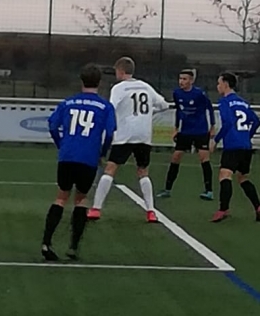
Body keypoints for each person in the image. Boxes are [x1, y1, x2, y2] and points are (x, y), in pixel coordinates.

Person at [42, 65, 117, 262]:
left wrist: (61, 144)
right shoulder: (105, 106)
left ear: (81, 80)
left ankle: (46, 242)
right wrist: (102, 152)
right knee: (81, 199)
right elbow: (110, 133)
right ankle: (73, 246)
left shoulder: (68, 102)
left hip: (67, 155)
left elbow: (52, 125)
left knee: (61, 197)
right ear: (99, 82)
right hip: (88, 157)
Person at [87, 57, 169, 224]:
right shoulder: (146, 86)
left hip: (125, 134)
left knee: (110, 168)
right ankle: (151, 211)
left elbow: (111, 108)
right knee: (143, 171)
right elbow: (164, 105)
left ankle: (96, 208)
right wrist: (149, 113)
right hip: (143, 135)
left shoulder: (119, 88)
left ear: (121, 71)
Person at [210, 72, 260, 224]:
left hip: (232, 145)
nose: (217, 86)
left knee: (225, 175)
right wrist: (247, 136)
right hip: (245, 146)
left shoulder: (224, 102)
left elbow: (228, 123)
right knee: (242, 178)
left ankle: (223, 209)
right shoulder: (243, 102)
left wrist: (215, 140)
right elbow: (256, 121)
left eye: (219, 83)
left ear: (225, 84)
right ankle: (258, 207)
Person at [158, 69, 215, 200]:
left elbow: (210, 108)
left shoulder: (199, 93)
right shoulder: (177, 93)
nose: (181, 82)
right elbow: (179, 110)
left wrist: (212, 127)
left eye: (184, 79)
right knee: (176, 157)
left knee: (204, 158)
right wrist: (176, 127)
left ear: (191, 81)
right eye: (180, 79)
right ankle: (167, 189)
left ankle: (209, 190)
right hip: (185, 131)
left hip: (200, 130)